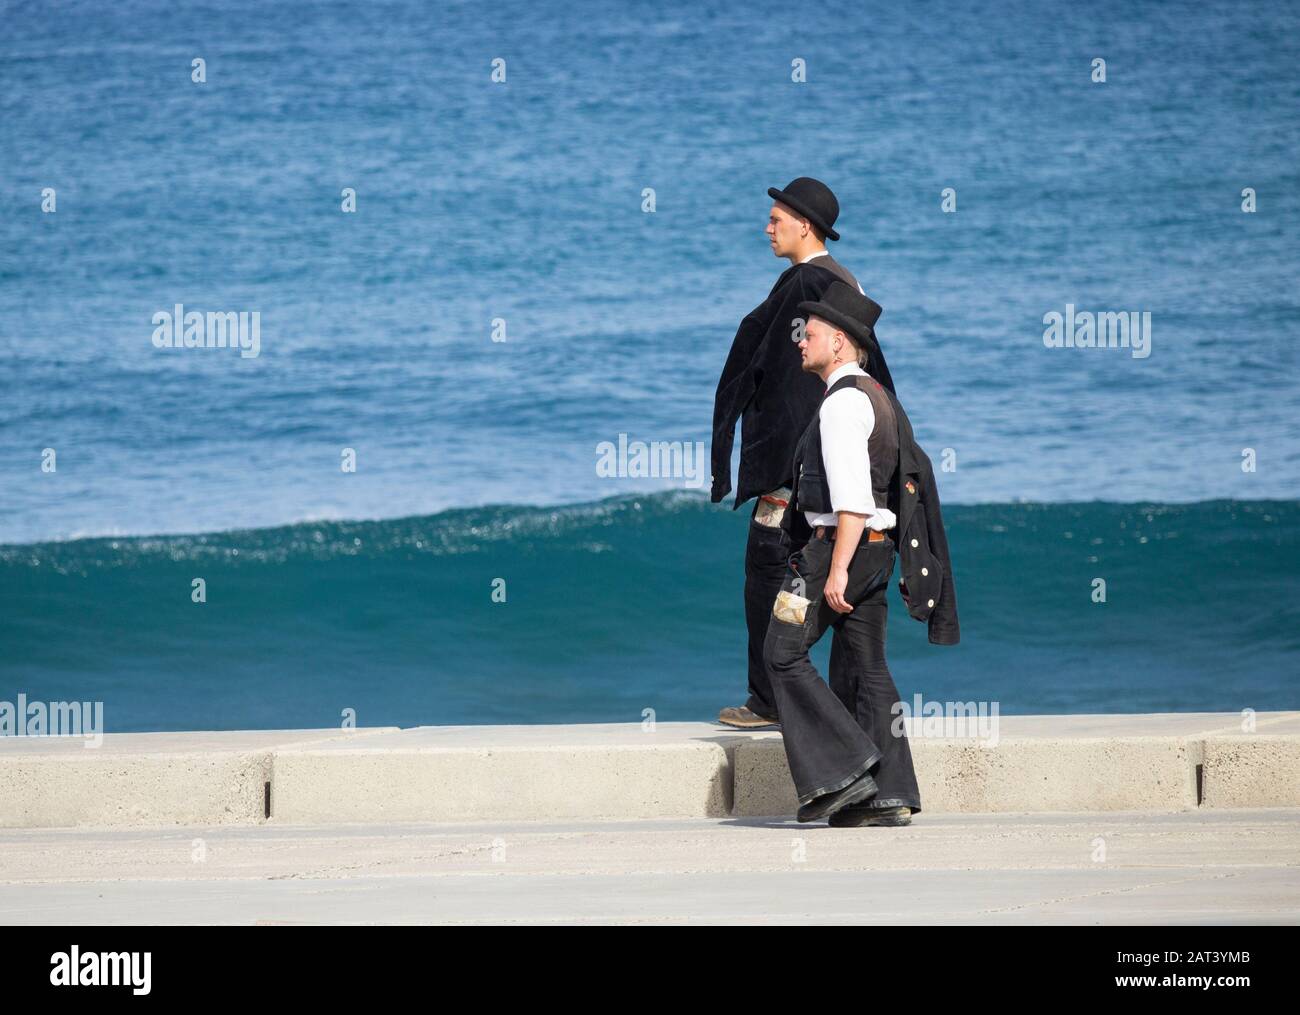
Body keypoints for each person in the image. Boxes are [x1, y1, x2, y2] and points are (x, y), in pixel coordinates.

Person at [763, 280, 956, 826]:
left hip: (836, 552)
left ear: (840, 343)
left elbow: (852, 501)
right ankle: (889, 795)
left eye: (811, 334)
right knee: (869, 667)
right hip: (877, 553)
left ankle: (846, 771)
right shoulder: (879, 397)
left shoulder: (843, 405)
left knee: (781, 651)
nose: (801, 341)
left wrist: (836, 570)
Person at [712, 178, 894, 730]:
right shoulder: (845, 280)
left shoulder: (806, 282)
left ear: (805, 226)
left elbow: (786, 384)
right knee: (828, 588)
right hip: (836, 466)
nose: (767, 229)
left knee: (767, 568)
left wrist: (773, 467)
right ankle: (841, 706)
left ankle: (768, 700)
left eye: (776, 220)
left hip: (797, 470)